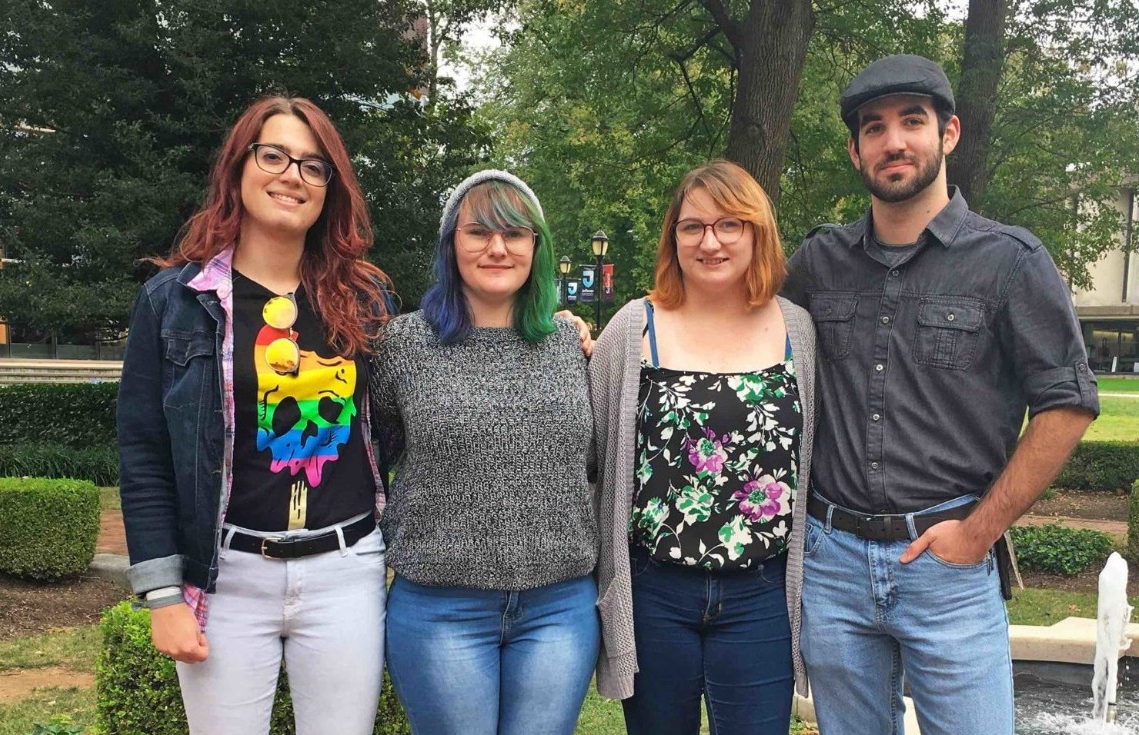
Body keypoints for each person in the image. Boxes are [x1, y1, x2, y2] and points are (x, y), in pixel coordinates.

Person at [782, 54, 1100, 734]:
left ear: (948, 133)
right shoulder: (817, 263)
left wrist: (980, 530)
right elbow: (732, 325)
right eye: (874, 127)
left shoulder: (1011, 261)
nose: (893, 140)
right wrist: (603, 335)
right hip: (831, 564)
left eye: (912, 121)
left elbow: (1068, 404)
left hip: (948, 564)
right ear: (855, 148)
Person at [116, 95, 394, 735]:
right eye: (274, 155)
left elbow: (418, 405)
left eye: (314, 165)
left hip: (345, 573)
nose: (292, 175)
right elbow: (144, 453)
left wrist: (556, 329)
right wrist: (162, 595)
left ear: (330, 189)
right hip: (227, 578)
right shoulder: (174, 302)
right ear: (238, 168)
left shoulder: (364, 300)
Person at [589, 159, 817, 734]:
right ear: (674, 238)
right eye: (692, 227)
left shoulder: (797, 330)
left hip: (761, 597)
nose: (709, 241)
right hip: (654, 595)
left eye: (728, 225)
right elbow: (588, 456)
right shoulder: (633, 328)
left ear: (756, 232)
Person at [370, 170, 598, 735]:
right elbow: (372, 459)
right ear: (451, 244)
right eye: (479, 233)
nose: (498, 247)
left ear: (536, 248)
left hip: (558, 606)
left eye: (516, 234)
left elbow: (594, 463)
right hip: (440, 609)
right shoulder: (404, 344)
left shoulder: (571, 344)